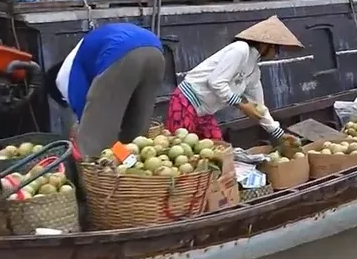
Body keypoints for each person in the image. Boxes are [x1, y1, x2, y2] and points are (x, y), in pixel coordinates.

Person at [165, 16, 302, 143]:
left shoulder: (253, 71)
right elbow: (216, 82)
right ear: (268, 45)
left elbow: (259, 106)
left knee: (218, 150)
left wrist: (279, 134)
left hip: (204, 112)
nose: (276, 55)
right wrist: (241, 105)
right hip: (186, 101)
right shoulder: (240, 49)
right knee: (182, 146)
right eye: (277, 49)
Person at [44, 23, 165, 159]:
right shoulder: (81, 57)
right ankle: (133, 163)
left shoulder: (63, 78)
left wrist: (83, 130)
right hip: (154, 48)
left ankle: (108, 167)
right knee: (136, 130)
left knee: (95, 136)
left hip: (120, 52)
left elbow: (89, 115)